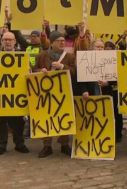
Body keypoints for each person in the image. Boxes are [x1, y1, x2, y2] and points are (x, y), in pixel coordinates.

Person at [33, 30, 76, 158]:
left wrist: (62, 67)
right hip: (46, 93)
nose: (63, 43)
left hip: (64, 93)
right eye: (59, 41)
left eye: (63, 41)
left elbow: (74, 72)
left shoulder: (69, 57)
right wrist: (40, 70)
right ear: (52, 43)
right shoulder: (41, 56)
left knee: (64, 116)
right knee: (46, 117)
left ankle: (64, 144)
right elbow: (32, 69)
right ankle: (47, 146)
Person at [0, 32, 30, 155]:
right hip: (0, 93)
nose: (7, 42)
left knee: (18, 119)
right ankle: (1, 144)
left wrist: (28, 69)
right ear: (1, 41)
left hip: (17, 93)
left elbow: (29, 70)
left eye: (10, 40)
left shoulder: (21, 56)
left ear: (15, 41)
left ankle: (19, 143)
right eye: (5, 39)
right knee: (0, 120)